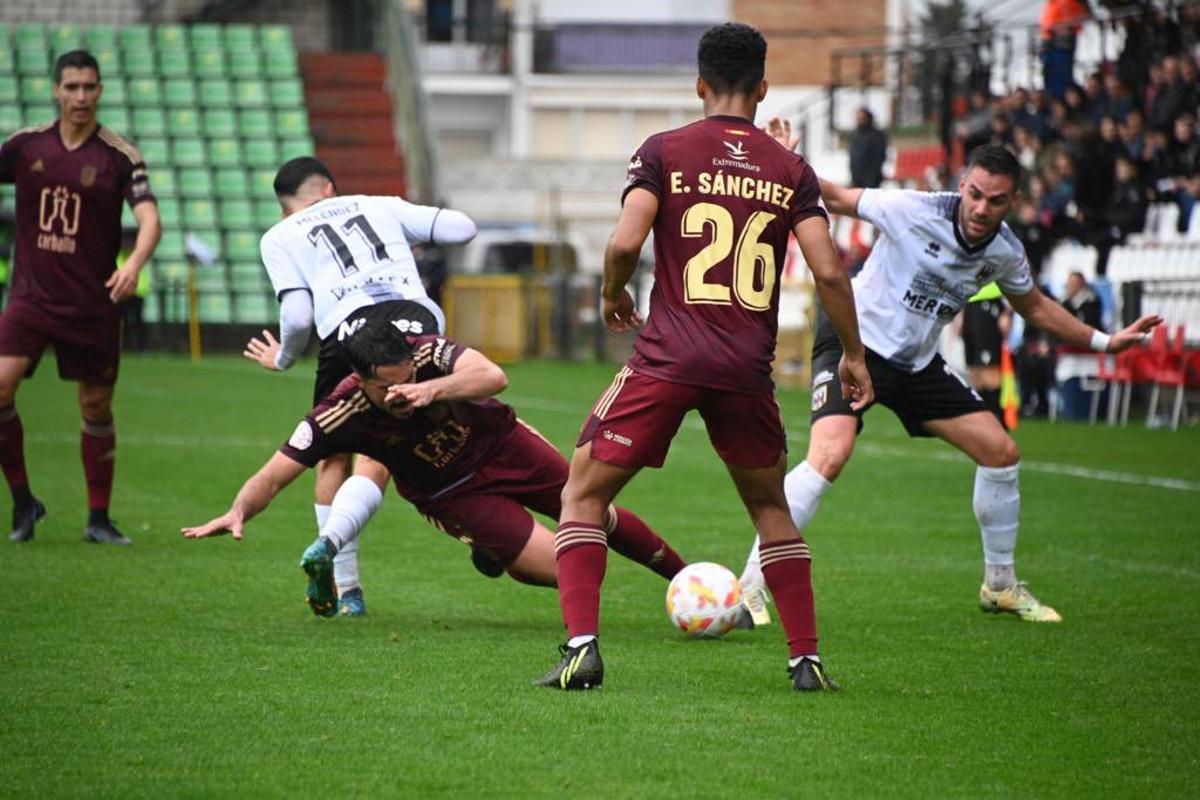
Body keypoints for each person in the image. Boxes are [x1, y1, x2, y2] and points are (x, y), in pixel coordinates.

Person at [534, 22, 872, 693]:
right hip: (745, 370)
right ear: (764, 87)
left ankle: (581, 650)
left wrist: (612, 293)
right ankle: (805, 660)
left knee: (582, 492)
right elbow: (830, 272)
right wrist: (855, 355)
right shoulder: (789, 168)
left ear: (699, 85)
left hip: (667, 358)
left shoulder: (664, 150)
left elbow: (625, 244)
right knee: (771, 510)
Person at [744, 141, 1161, 624]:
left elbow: (1037, 308)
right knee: (830, 455)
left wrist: (1107, 342)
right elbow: (833, 195)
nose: (983, 208)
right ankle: (751, 585)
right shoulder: (911, 210)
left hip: (918, 365)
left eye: (997, 200)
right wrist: (777, 158)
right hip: (853, 343)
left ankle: (1000, 586)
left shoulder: (1005, 251)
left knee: (1001, 453)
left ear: (1014, 201)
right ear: (962, 185)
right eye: (976, 194)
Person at [182, 307, 690, 609]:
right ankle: (498, 551)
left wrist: (432, 391)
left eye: (407, 375)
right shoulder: (341, 413)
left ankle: (693, 583)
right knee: (573, 569)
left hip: (502, 444)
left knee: (594, 514)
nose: (403, 387)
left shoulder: (424, 354)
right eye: (391, 385)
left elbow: (493, 376)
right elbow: (273, 475)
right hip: (452, 493)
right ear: (362, 380)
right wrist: (239, 509)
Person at [241, 156, 476, 616]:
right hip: (417, 325)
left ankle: (345, 589)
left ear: (286, 207)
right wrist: (406, 231)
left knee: (333, 452)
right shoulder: (376, 204)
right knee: (395, 450)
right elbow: (462, 228)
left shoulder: (280, 235)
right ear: (329, 187)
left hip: (349, 333)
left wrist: (284, 358)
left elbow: (296, 316)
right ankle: (482, 536)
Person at [0, 50, 161, 544]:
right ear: (56, 91)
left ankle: (98, 518)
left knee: (95, 408)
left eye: (90, 87)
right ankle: (24, 501)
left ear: (100, 92)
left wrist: (132, 264)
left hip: (93, 304)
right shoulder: (25, 147)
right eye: (72, 87)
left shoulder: (119, 155)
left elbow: (150, 219)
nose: (81, 97)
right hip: (29, 297)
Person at [960, 284, 1013, 426]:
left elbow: (1014, 274)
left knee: (990, 370)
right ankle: (985, 420)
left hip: (990, 305)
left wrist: (1007, 311)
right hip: (970, 305)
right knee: (975, 371)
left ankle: (999, 420)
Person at [849, 107, 888, 189]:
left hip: (871, 179)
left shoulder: (877, 135)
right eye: (858, 119)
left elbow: (880, 157)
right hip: (857, 178)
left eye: (862, 119)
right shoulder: (855, 135)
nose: (860, 121)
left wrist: (872, 176)